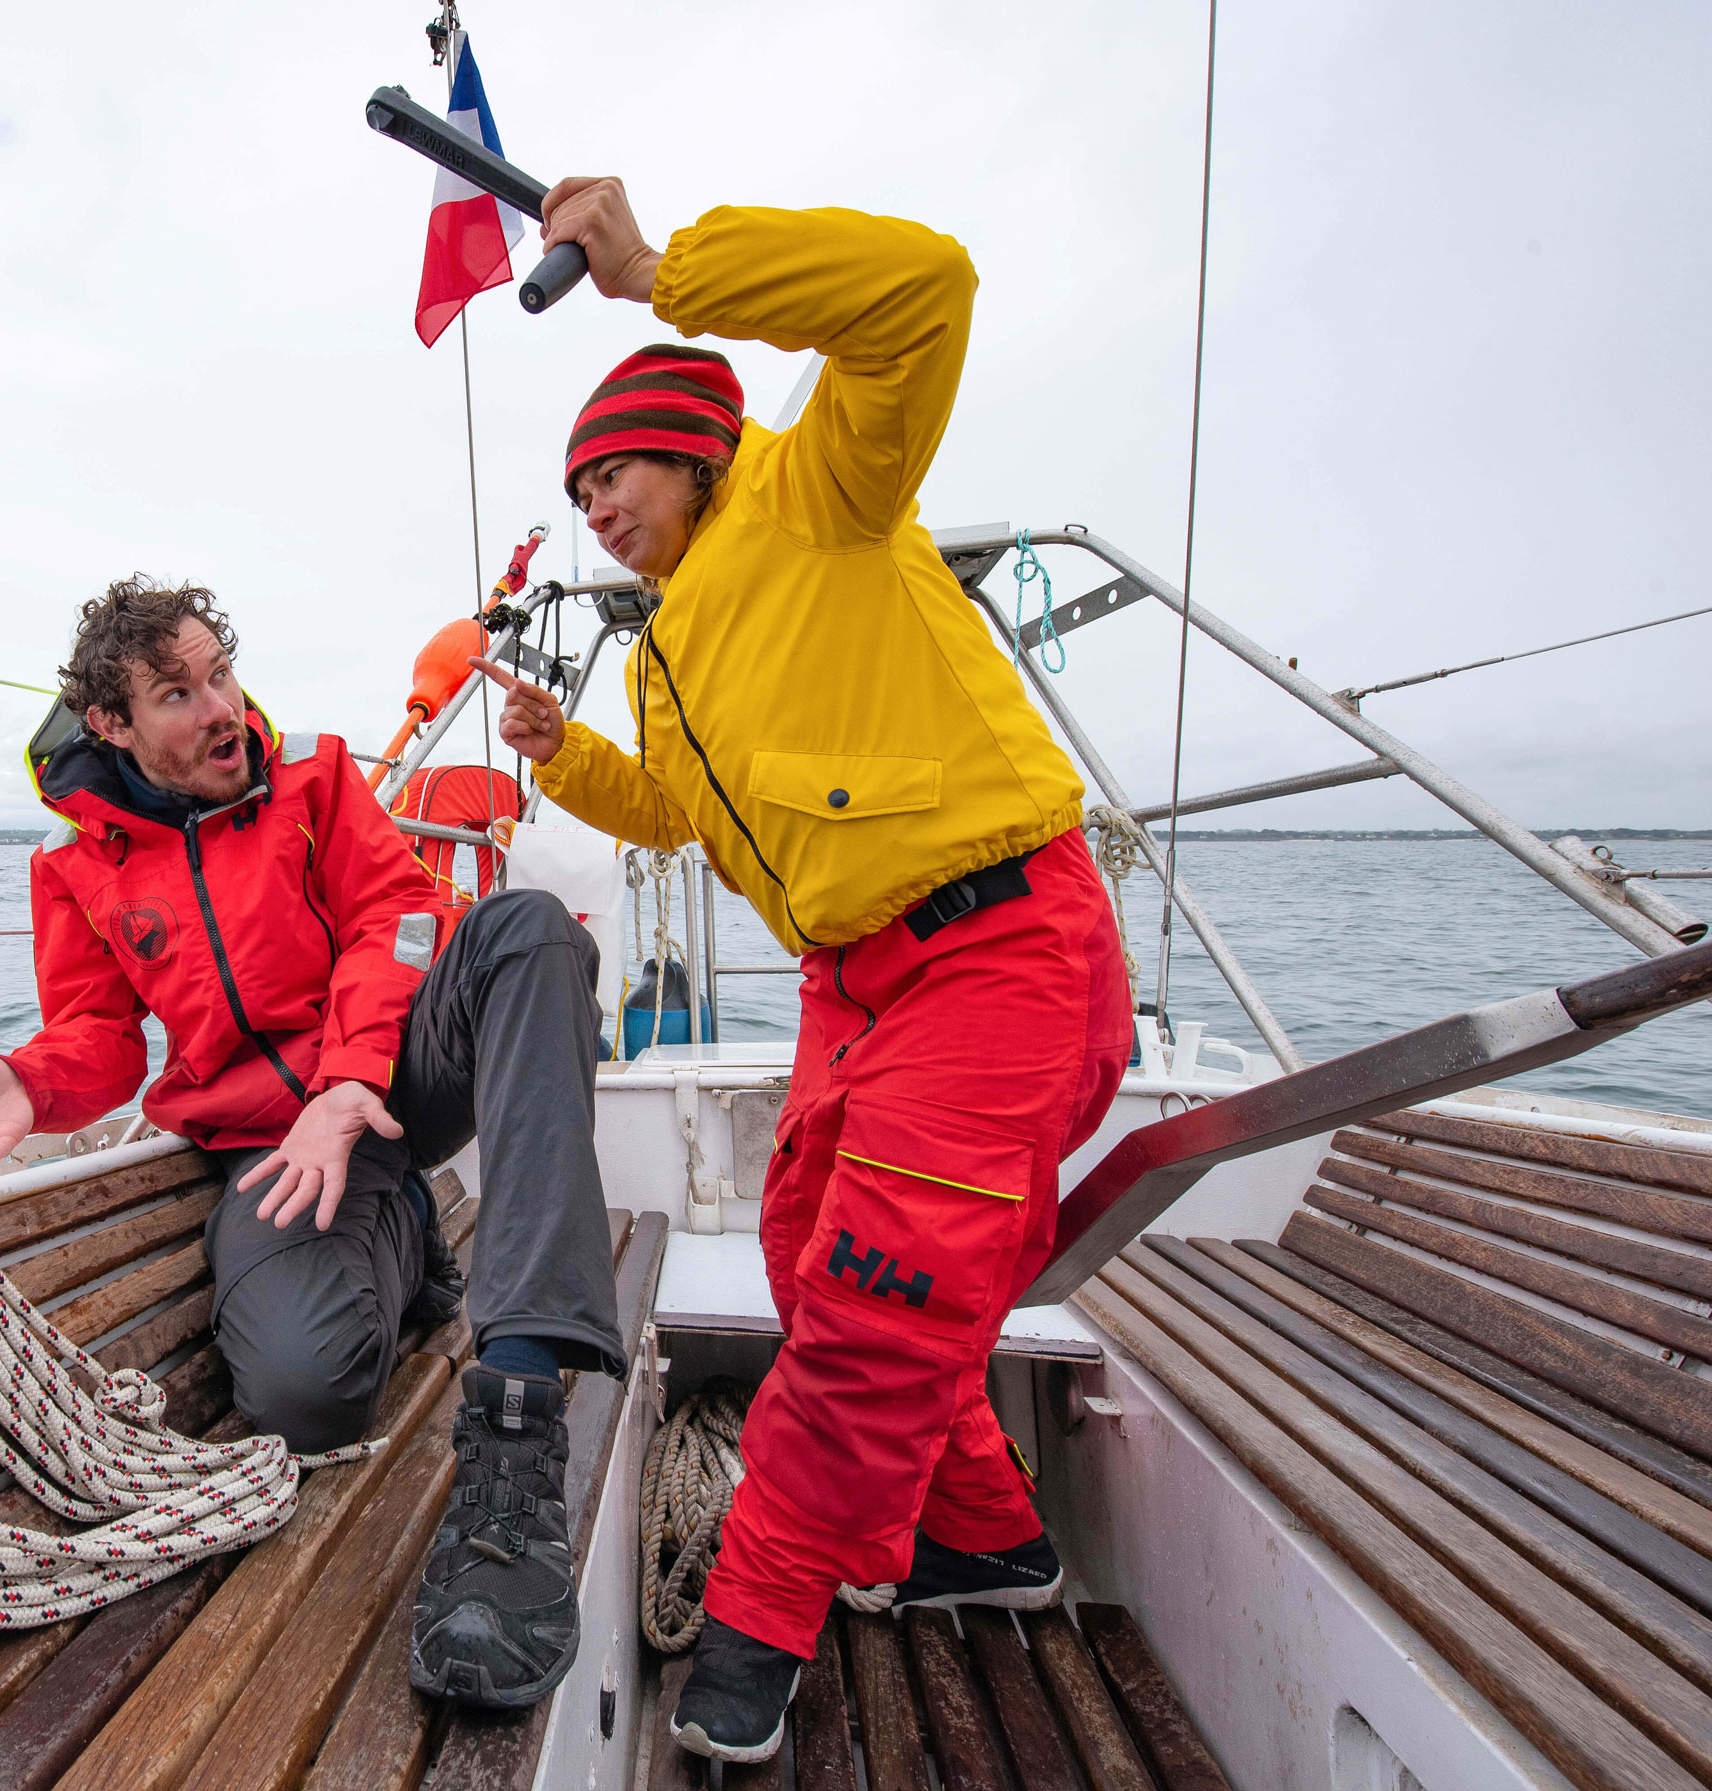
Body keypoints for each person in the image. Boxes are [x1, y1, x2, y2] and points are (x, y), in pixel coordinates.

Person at [480, 181, 1133, 1764]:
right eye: (580, 489)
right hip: (857, 983)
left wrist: (661, 271)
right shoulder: (670, 642)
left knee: (871, 1307)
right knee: (802, 1238)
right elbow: (686, 814)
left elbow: (925, 284)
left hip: (999, 946)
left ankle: (763, 1617)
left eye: (614, 470)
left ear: (694, 446)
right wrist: (570, 759)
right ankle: (988, 1532)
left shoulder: (820, 494)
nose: (598, 509)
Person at [0, 576, 623, 1711]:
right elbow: (97, 1038)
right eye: (178, 694)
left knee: (525, 931)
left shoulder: (317, 780)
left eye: (219, 674)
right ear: (112, 728)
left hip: (382, 1082)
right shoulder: (75, 869)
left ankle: (518, 1409)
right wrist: (32, 1082)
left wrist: (345, 1082)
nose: (220, 706)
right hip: (262, 1140)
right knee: (303, 1398)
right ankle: (405, 1227)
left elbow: (400, 919)